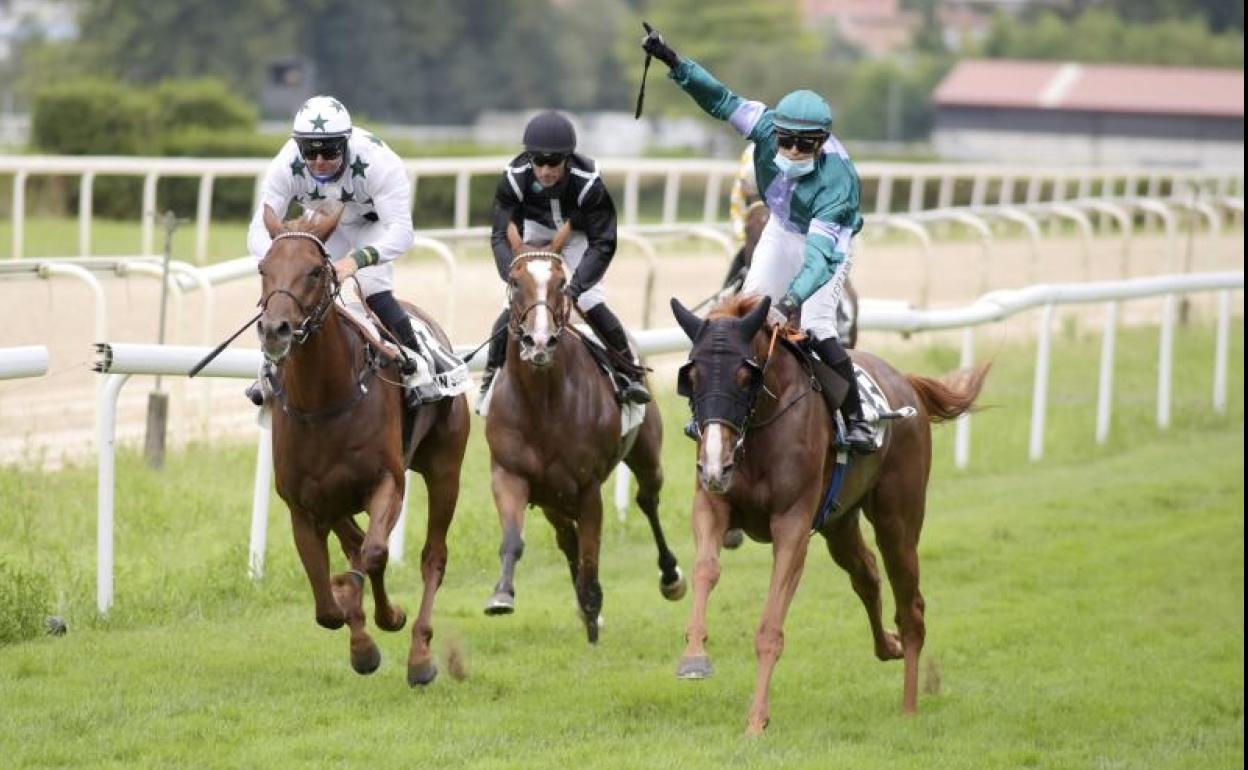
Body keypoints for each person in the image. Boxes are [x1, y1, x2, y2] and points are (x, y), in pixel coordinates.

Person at [642, 27, 874, 453]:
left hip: (827, 246)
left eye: (805, 144)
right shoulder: (765, 126)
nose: (792, 150)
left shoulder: (837, 183)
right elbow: (720, 99)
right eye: (786, 140)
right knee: (738, 322)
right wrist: (674, 63)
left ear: (822, 143)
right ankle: (721, 412)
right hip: (781, 229)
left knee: (818, 327)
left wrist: (789, 303)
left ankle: (856, 418)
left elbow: (819, 260)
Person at [244, 95, 429, 406]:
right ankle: (269, 367)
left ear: (346, 142)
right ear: (298, 146)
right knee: (292, 288)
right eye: (309, 151)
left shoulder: (378, 163)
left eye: (329, 150)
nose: (318, 161)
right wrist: (279, 262)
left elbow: (402, 233)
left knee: (371, 288)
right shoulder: (284, 164)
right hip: (323, 224)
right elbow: (258, 229)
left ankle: (419, 366)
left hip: (373, 227)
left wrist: (355, 262)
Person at [479, 111, 651, 405]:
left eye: (554, 163)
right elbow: (498, 235)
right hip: (535, 230)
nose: (545, 171)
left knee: (589, 302)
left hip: (579, 236)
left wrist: (575, 288)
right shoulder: (513, 176)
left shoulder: (589, 181)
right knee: (513, 304)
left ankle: (629, 375)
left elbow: (603, 243)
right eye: (539, 162)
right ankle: (491, 375)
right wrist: (513, 277)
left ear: (568, 159)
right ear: (529, 158)